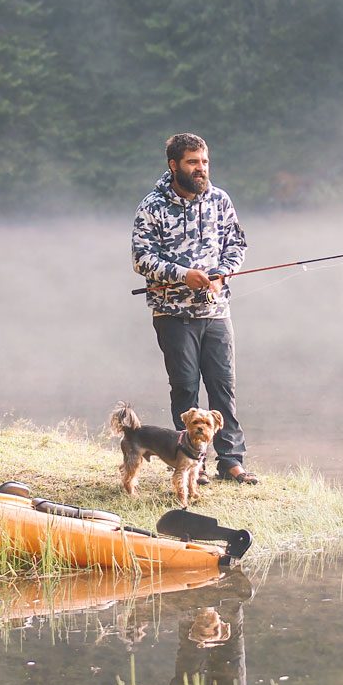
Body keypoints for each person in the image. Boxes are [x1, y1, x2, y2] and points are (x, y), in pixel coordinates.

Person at [130, 133, 261, 484]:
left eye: (203, 161)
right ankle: (191, 464)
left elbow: (237, 244)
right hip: (172, 314)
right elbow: (141, 258)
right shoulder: (152, 206)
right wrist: (181, 274)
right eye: (192, 162)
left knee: (223, 387)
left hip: (216, 312)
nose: (200, 168)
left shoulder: (220, 200)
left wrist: (221, 275)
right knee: (185, 387)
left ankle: (231, 461)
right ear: (174, 165)